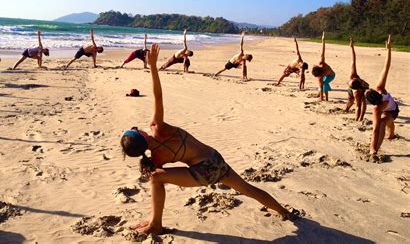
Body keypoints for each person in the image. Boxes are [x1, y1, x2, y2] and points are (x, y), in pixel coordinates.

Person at [121, 44, 292, 235]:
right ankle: (283, 211)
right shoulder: (157, 126)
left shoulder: (157, 157)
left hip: (203, 172)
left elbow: (156, 173)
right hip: (215, 158)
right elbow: (158, 95)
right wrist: (153, 67)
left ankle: (155, 223)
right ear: (141, 135)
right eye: (135, 129)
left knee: (156, 178)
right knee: (247, 188)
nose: (138, 127)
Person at [365, 35, 399, 155]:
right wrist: (372, 148)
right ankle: (388, 138)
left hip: (394, 110)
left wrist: (389, 50)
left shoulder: (379, 95)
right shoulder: (379, 99)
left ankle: (379, 147)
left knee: (384, 122)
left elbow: (386, 67)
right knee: (385, 123)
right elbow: (375, 129)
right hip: (389, 109)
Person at [344, 38, 369, 121]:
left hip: (363, 88)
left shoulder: (358, 91)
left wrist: (357, 119)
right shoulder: (352, 74)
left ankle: (359, 118)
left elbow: (358, 106)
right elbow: (353, 60)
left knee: (360, 103)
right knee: (350, 100)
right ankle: (346, 109)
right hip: (353, 90)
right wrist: (352, 47)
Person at [311, 32, 335, 101]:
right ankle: (320, 95)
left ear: (321, 74)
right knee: (321, 84)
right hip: (325, 74)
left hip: (331, 75)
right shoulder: (319, 65)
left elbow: (323, 52)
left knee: (324, 83)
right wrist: (323, 40)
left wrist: (323, 41)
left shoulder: (323, 65)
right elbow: (322, 52)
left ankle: (326, 98)